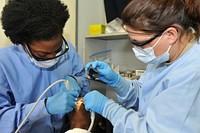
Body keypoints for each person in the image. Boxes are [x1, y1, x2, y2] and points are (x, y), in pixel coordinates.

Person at [83, 0, 200, 133]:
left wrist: (107, 108)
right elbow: (145, 95)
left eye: (140, 43)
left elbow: (153, 130)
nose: (136, 50)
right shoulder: (164, 55)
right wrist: (117, 82)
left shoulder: (192, 72)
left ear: (170, 35)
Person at [0, 0, 89, 132]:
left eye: (57, 49)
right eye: (42, 54)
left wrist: (76, 81)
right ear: (24, 44)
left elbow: (83, 79)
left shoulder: (68, 50)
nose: (53, 57)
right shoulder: (4, 62)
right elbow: (2, 120)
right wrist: (44, 107)